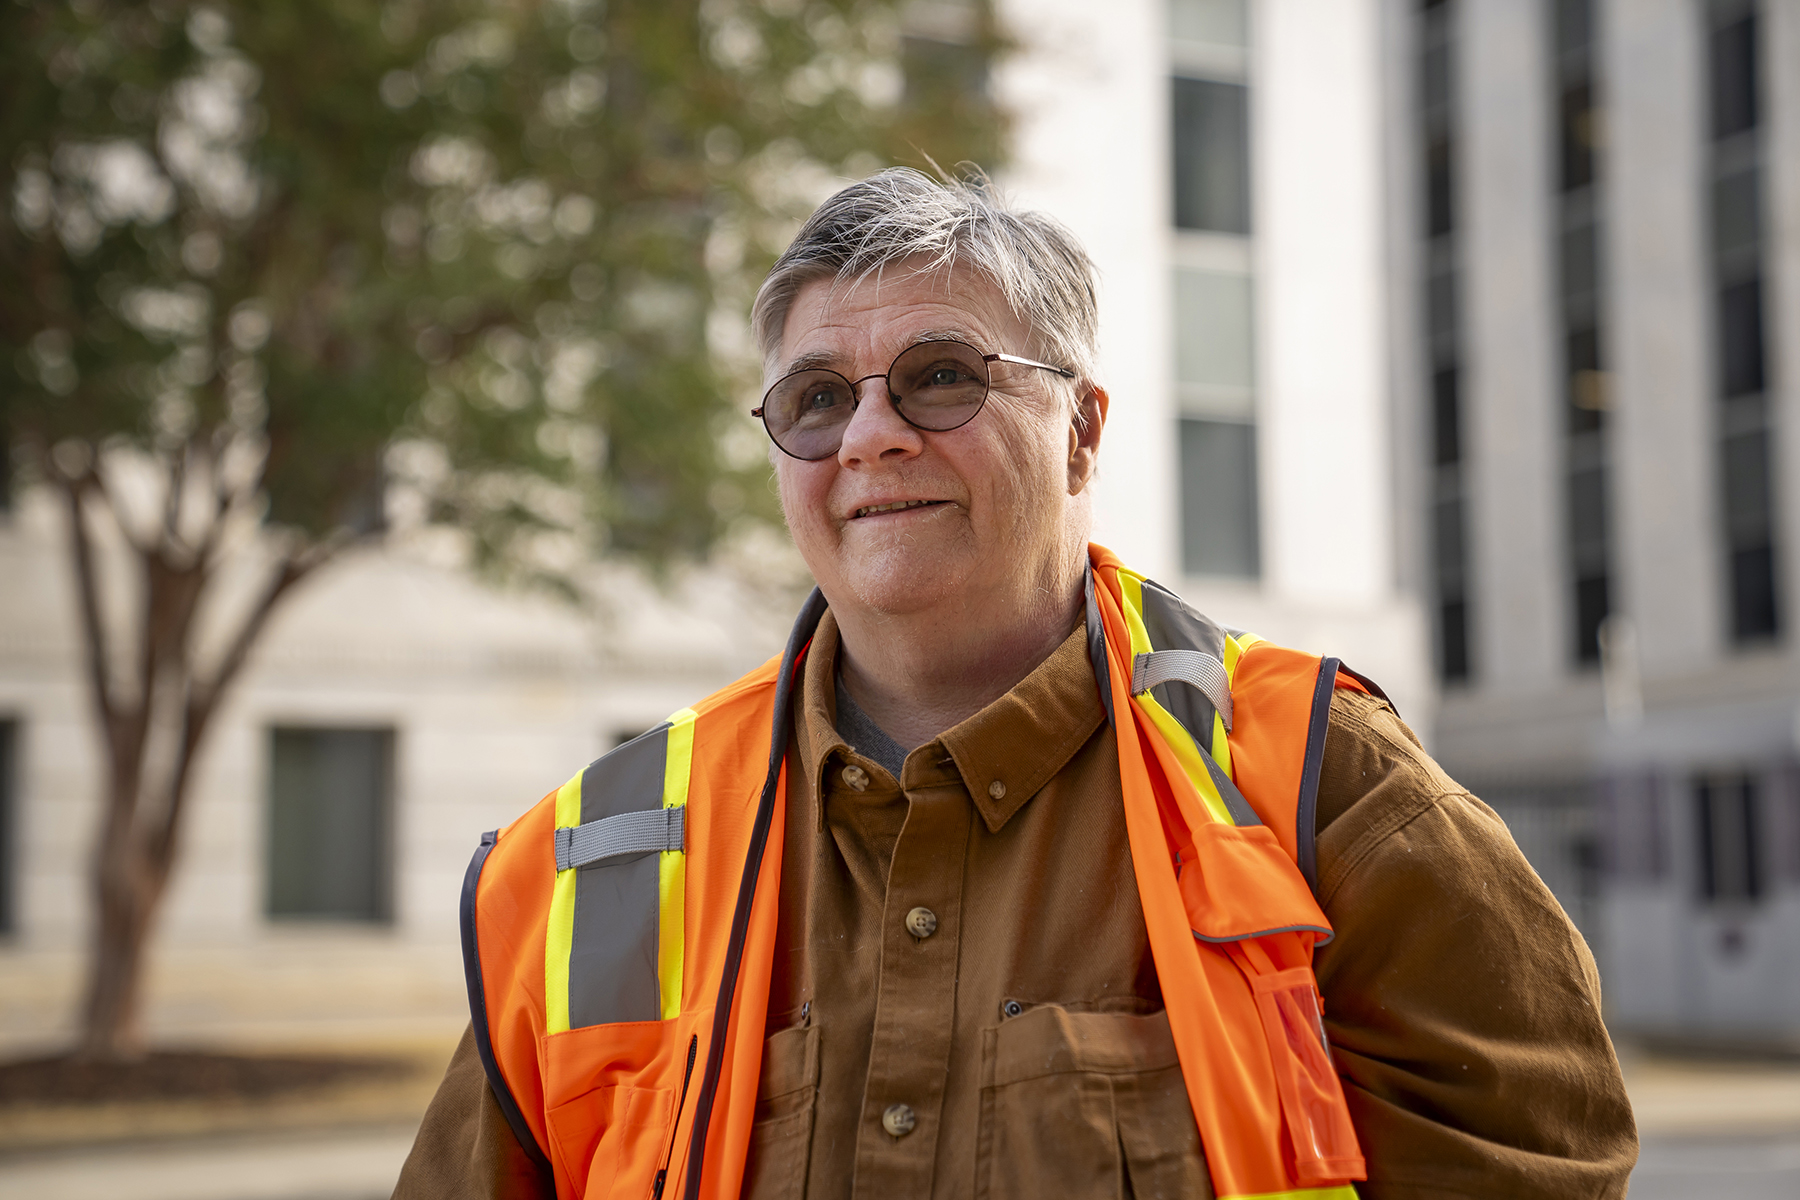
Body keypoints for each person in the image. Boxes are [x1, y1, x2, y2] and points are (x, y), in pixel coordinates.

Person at [393, 169, 1637, 1200]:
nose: (872, 434)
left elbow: (1539, 1162)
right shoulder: (601, 863)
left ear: (1083, 431)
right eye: (817, 399)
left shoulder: (1318, 781)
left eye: (942, 375)